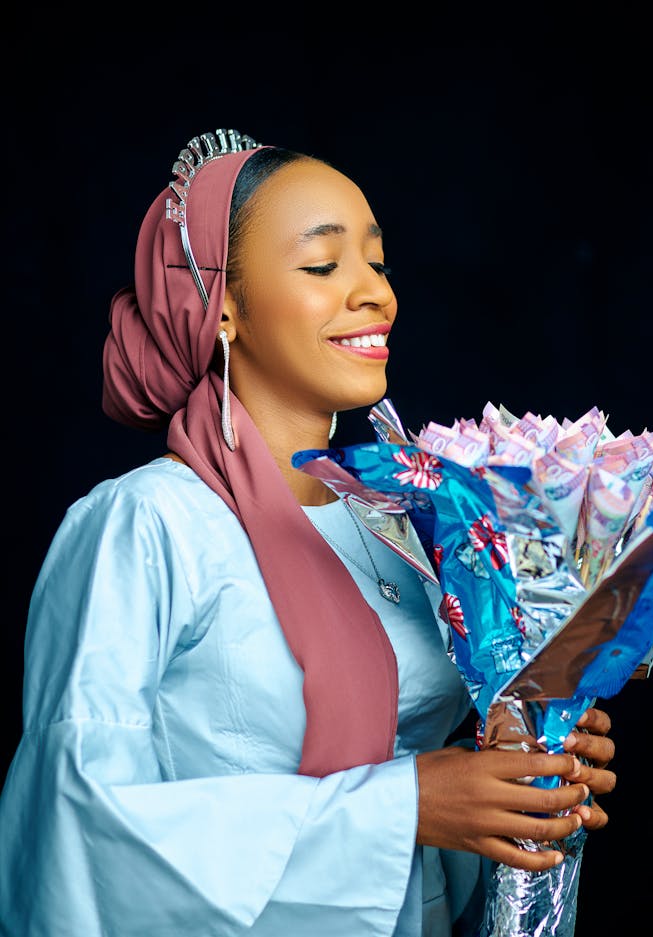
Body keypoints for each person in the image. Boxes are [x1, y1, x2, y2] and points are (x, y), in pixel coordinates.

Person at [0, 128, 616, 937]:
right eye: (324, 265)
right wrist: (408, 805)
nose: (375, 294)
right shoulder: (144, 525)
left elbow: (420, 846)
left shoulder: (398, 524)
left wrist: (512, 774)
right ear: (221, 307)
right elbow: (78, 832)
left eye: (378, 262)